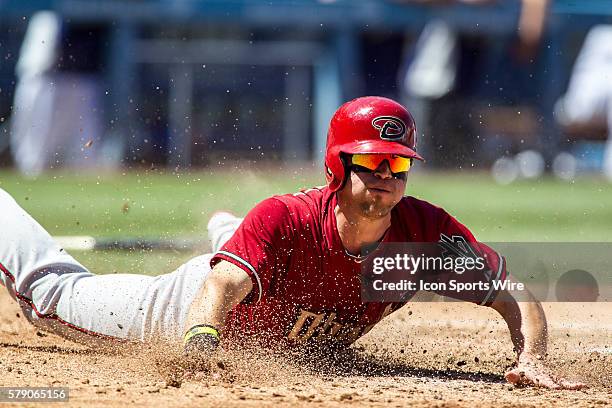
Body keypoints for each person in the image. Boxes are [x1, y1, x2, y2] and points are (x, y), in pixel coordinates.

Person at [0, 96, 584, 390]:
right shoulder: (290, 217)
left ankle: (232, 233)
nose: (387, 177)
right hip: (183, 307)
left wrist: (531, 355)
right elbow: (222, 288)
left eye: (399, 166)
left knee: (255, 248)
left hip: (264, 284)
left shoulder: (422, 236)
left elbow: (511, 292)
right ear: (338, 165)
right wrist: (201, 346)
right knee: (48, 295)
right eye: (373, 162)